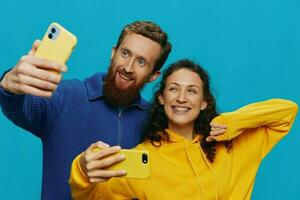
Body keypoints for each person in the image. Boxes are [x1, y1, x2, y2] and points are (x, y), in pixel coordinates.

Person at [70, 59, 298, 200]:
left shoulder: (235, 147)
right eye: (173, 89)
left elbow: (286, 112)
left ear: (204, 102)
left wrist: (232, 122)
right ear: (161, 98)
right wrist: (82, 169)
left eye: (191, 91)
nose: (181, 98)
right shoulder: (143, 158)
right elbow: (92, 197)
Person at [0, 21, 172, 199]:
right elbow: (18, 106)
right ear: (113, 53)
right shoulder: (66, 97)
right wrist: (9, 85)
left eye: (141, 62)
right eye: (125, 53)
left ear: (153, 76)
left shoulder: (155, 120)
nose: (128, 68)